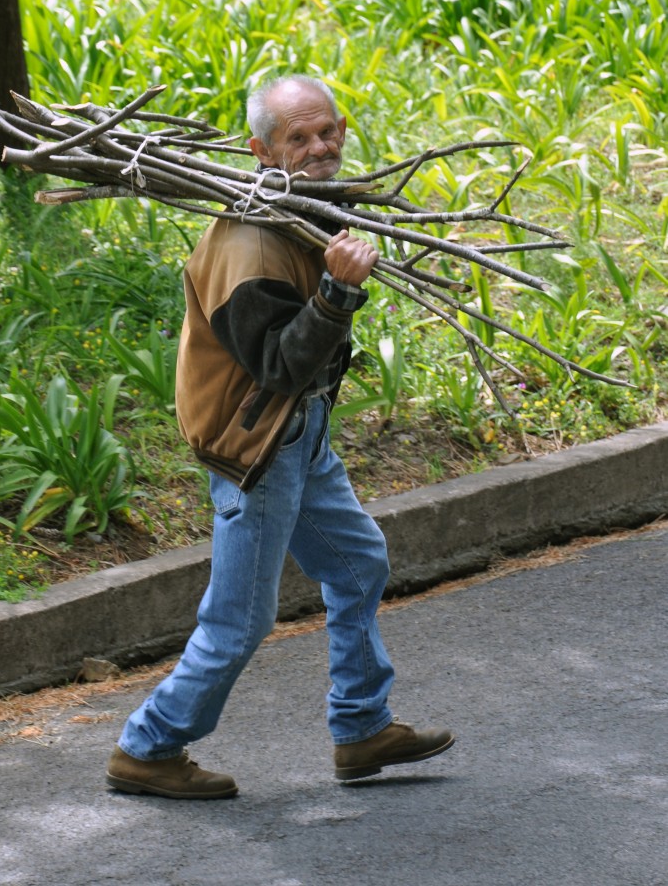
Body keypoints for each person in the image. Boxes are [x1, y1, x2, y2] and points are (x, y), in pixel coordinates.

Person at [106, 76, 454, 799]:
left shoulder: (303, 210)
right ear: (259, 150)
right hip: (256, 448)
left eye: (327, 131)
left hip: (297, 431)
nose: (320, 146)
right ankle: (147, 747)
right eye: (298, 138)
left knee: (357, 563)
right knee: (239, 622)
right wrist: (337, 293)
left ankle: (361, 728)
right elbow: (277, 364)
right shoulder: (248, 246)